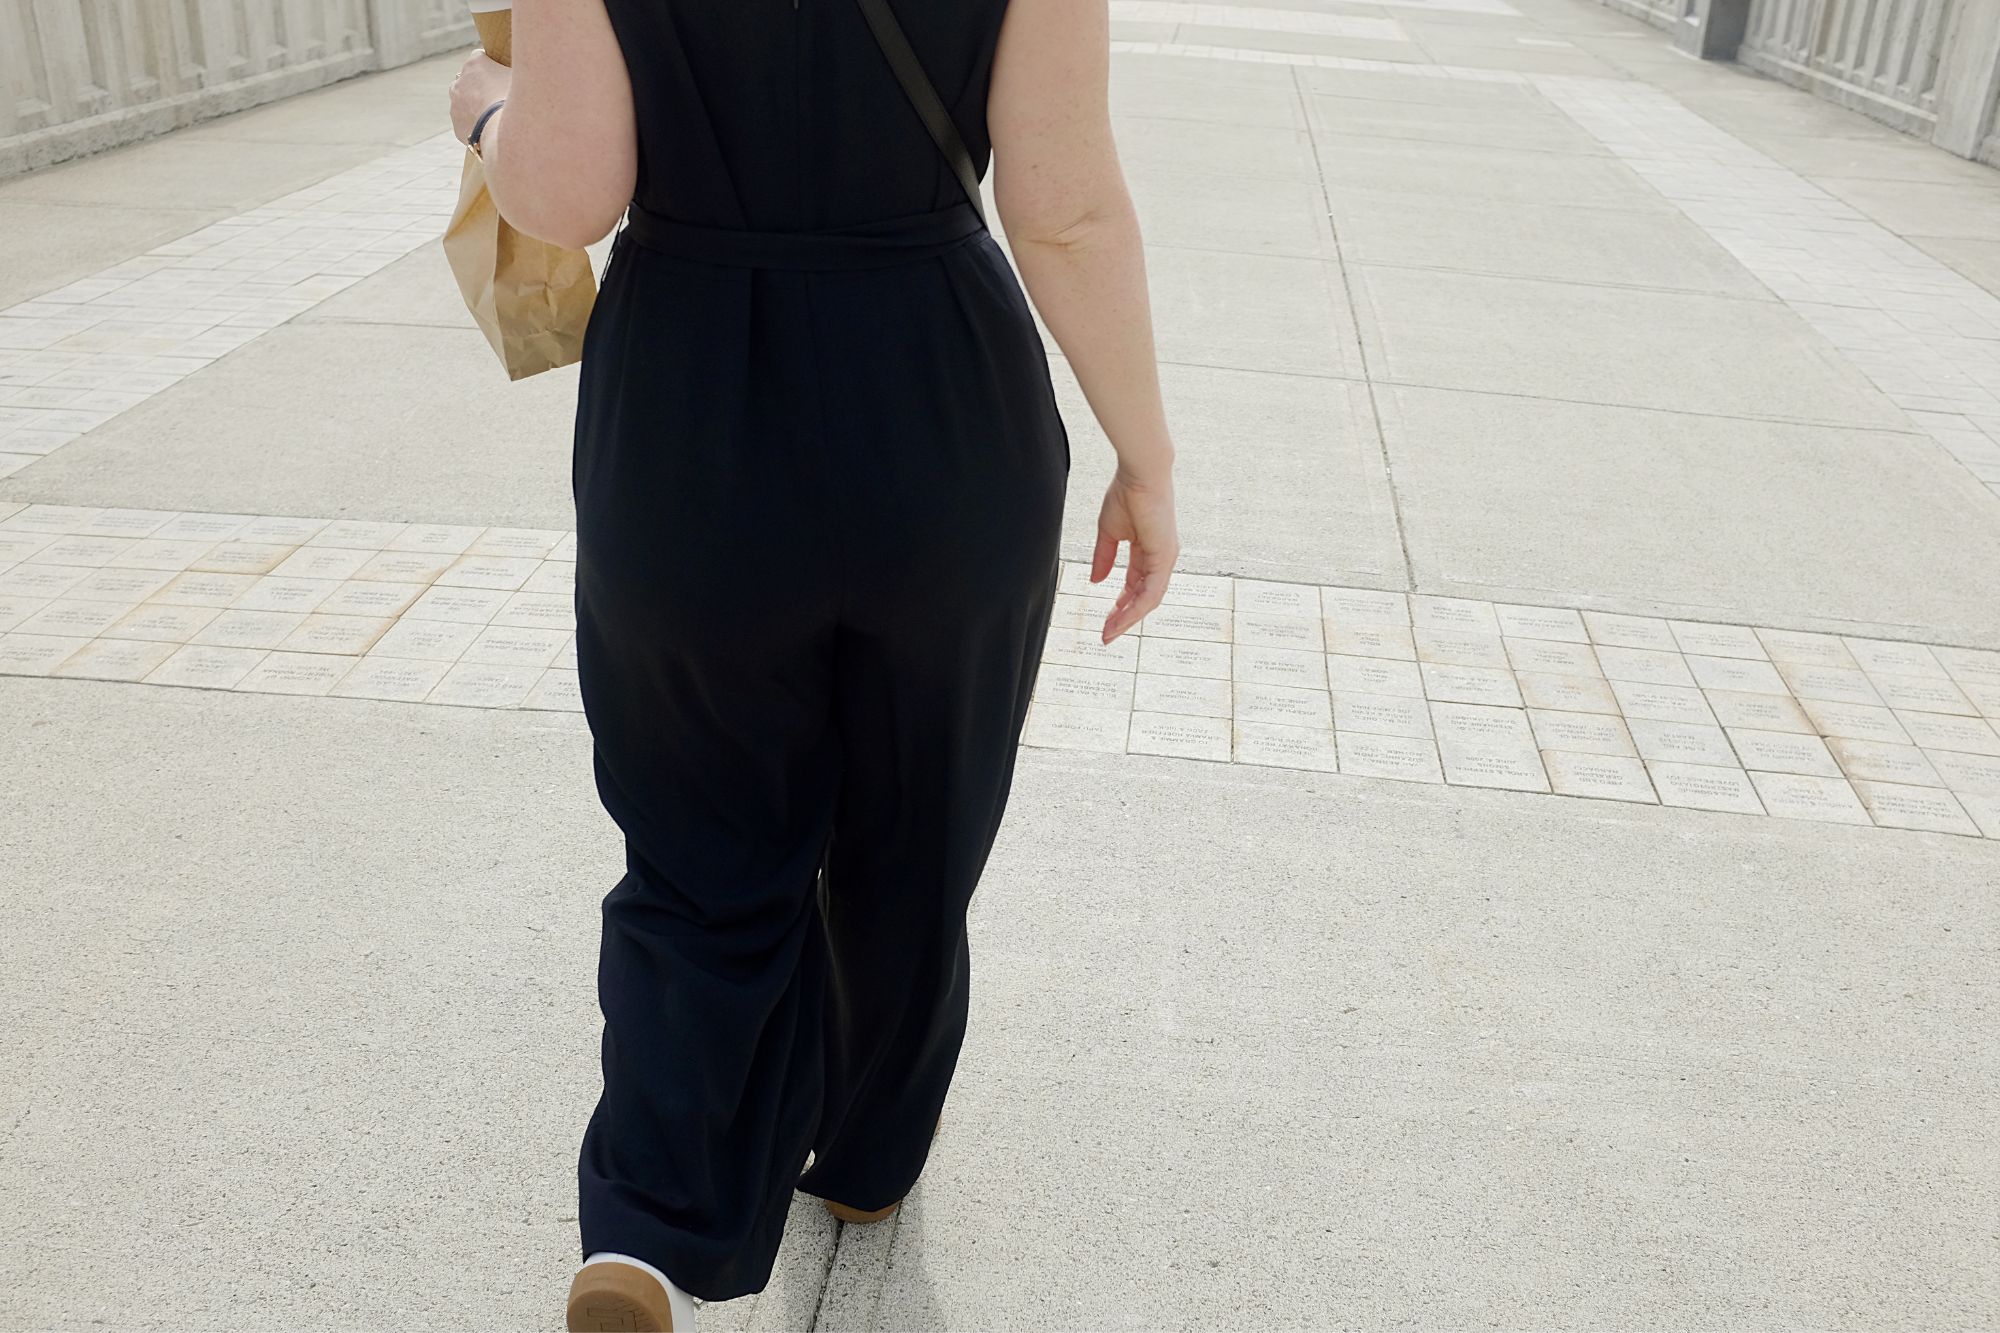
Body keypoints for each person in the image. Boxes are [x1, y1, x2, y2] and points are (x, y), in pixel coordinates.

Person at [449, 0, 1178, 1326]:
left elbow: (566, 193)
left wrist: (488, 107)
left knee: (697, 847)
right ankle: (864, 1158)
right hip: (945, 408)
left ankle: (654, 1230)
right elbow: (1065, 212)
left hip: (687, 412)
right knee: (917, 825)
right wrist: (1148, 455)